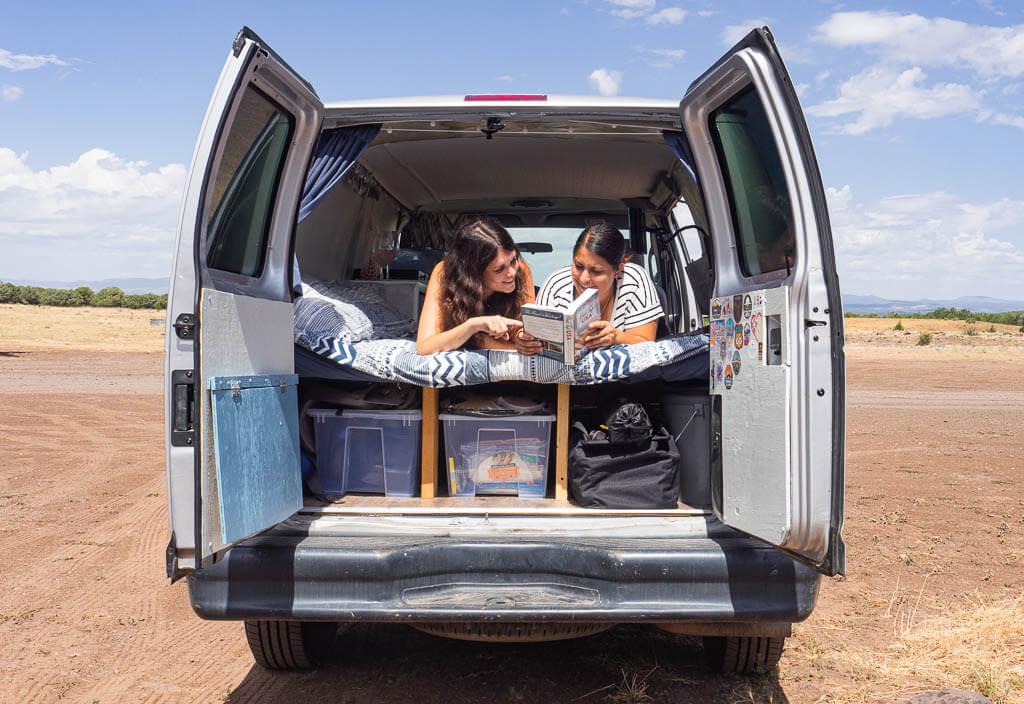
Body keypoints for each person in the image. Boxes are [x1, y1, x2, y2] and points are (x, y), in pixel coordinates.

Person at [525, 223, 663, 351]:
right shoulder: (556, 286)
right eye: (578, 267)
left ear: (618, 270)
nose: (584, 279)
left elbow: (646, 345)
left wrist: (616, 337)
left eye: (596, 271)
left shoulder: (634, 280)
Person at [416, 217, 537, 354]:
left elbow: (525, 328)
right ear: (474, 273)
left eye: (513, 261)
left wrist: (522, 338)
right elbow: (424, 347)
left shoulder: (521, 271)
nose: (512, 273)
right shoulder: (444, 273)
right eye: (499, 269)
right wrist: (473, 326)